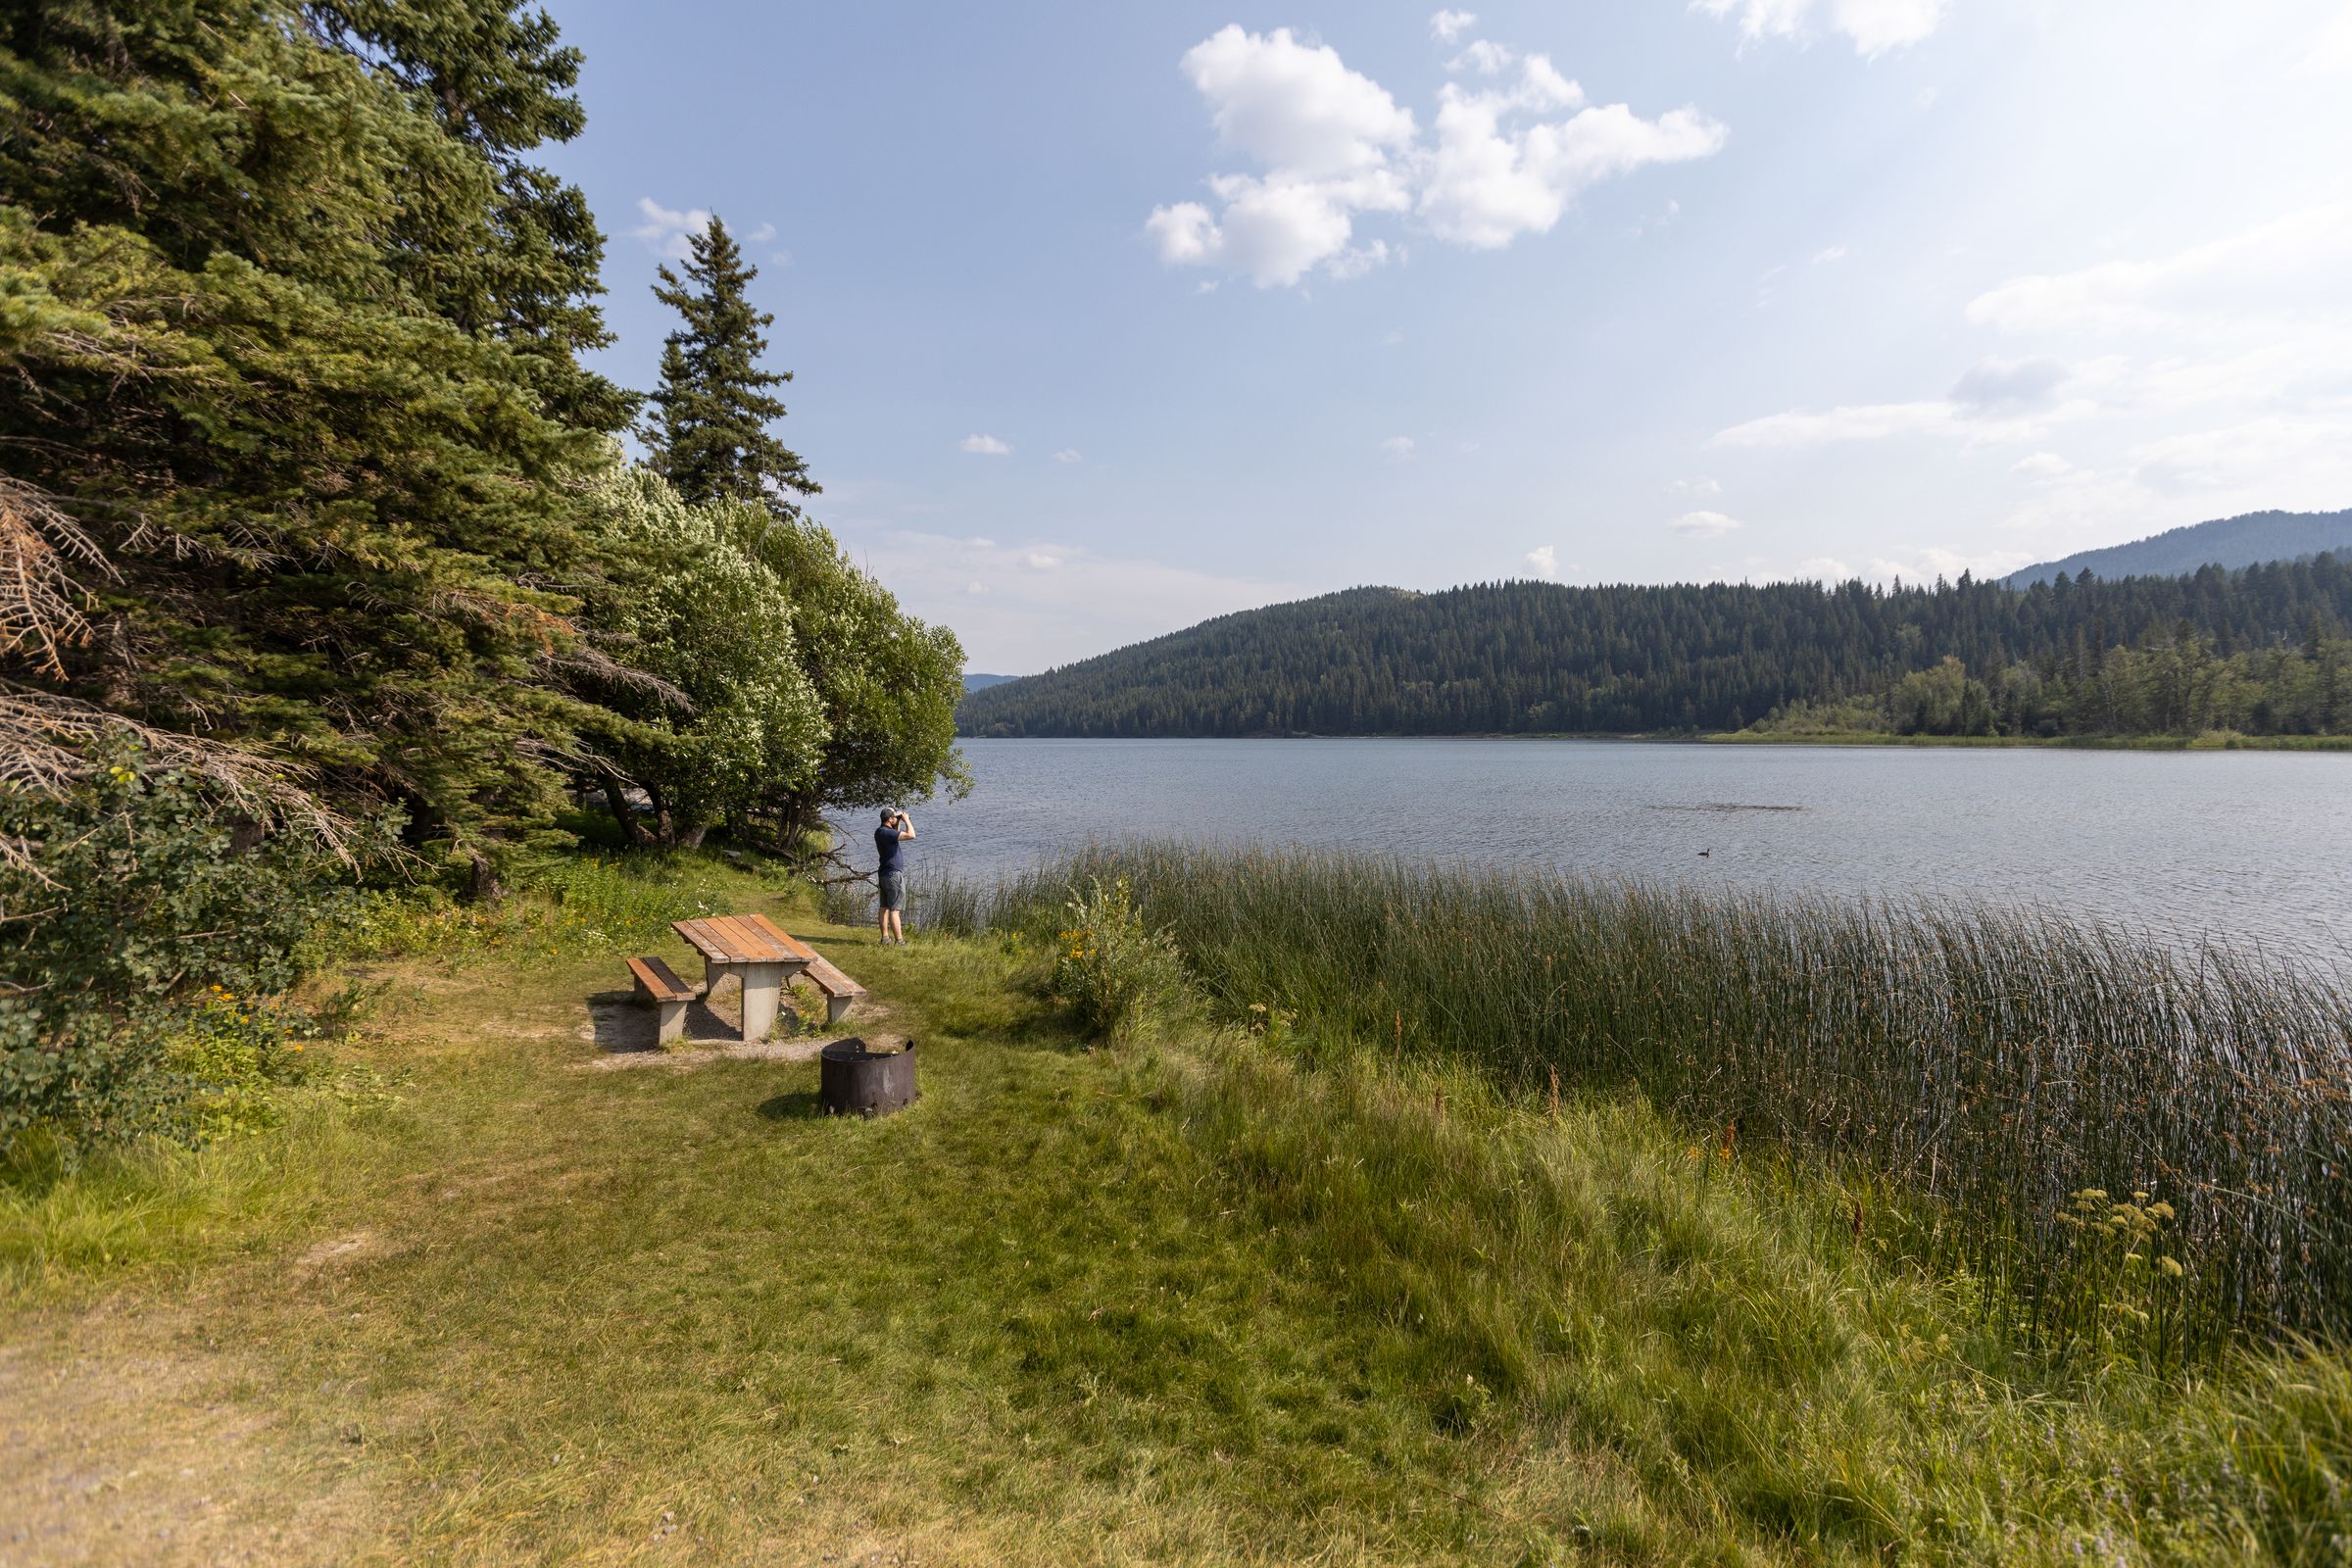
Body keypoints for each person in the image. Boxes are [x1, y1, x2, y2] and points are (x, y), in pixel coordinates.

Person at [874, 807, 915, 945]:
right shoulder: (887, 833)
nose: (896, 819)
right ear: (889, 819)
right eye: (894, 817)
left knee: (884, 907)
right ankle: (899, 941)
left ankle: (885, 938)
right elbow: (911, 835)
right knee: (895, 910)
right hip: (893, 875)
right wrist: (906, 821)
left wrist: (897, 822)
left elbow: (895, 834)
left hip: (884, 874)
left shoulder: (880, 832)